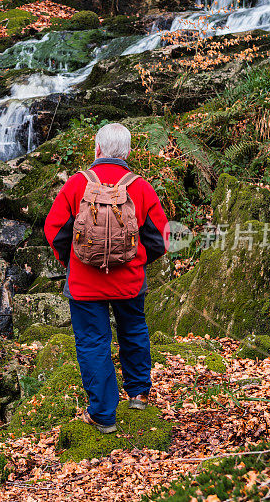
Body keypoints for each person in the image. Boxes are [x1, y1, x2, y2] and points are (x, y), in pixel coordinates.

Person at [44, 122, 169, 434]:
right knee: (134, 331)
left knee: (93, 343)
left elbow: (54, 230)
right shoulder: (140, 187)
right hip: (128, 283)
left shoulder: (76, 184)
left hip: (85, 286)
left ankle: (102, 415)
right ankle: (138, 393)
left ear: (97, 149)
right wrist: (136, 261)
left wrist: (71, 261)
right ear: (127, 152)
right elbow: (161, 239)